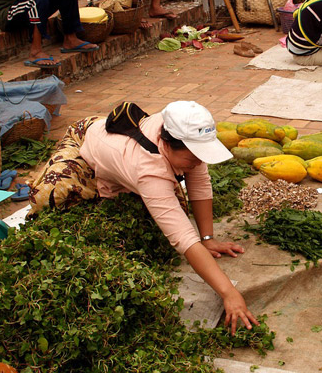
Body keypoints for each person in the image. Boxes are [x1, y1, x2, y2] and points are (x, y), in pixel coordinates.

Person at [73, 101, 257, 334]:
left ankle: (124, 184)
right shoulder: (149, 169)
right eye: (192, 160)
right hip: (85, 138)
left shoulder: (182, 131)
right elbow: (183, 237)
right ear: (167, 146)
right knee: (54, 193)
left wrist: (208, 238)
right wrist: (229, 292)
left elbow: (199, 182)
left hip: (118, 145)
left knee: (173, 204)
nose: (199, 164)